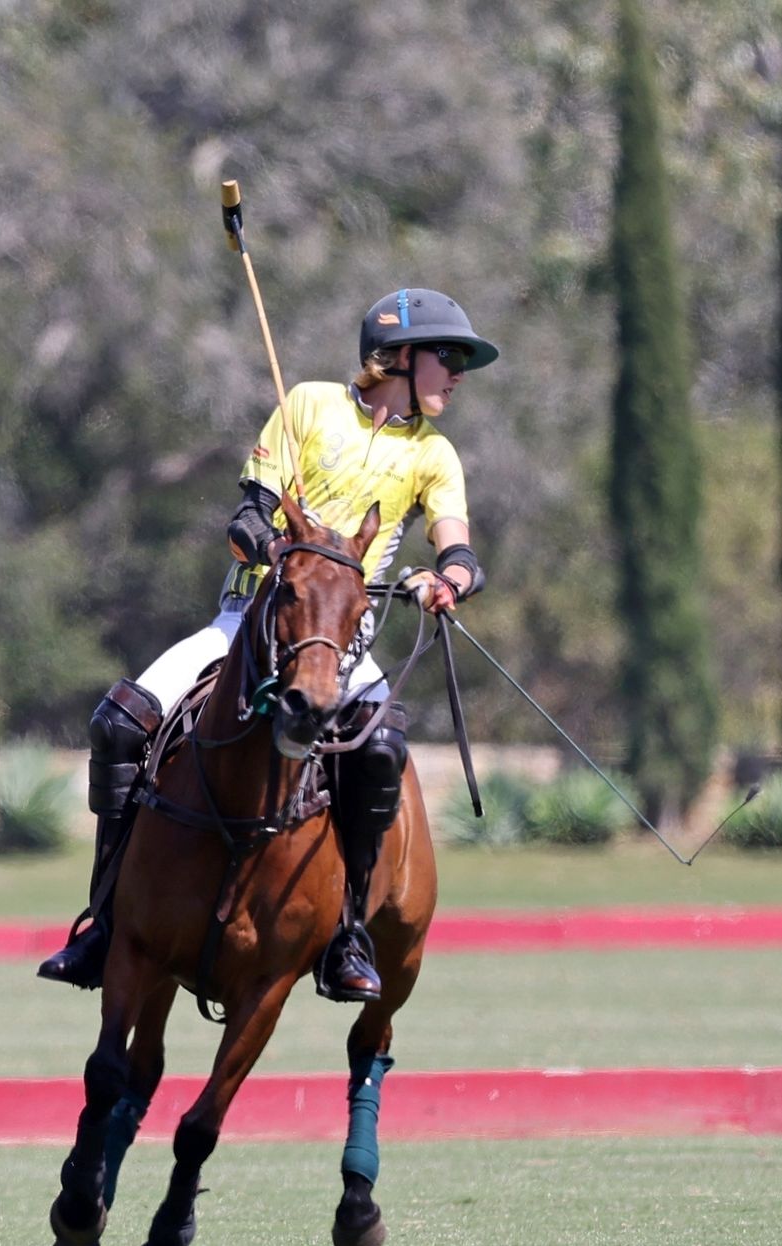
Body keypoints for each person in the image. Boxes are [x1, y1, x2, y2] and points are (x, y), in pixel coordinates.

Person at [38, 288, 499, 1002]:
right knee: (119, 723)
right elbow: (247, 514)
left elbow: (458, 546)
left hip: (344, 643)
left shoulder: (434, 455)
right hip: (248, 620)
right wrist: (273, 542)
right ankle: (103, 920)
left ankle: (346, 931)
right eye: (448, 356)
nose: (458, 373)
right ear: (399, 357)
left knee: (380, 754)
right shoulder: (307, 405)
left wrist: (449, 579)